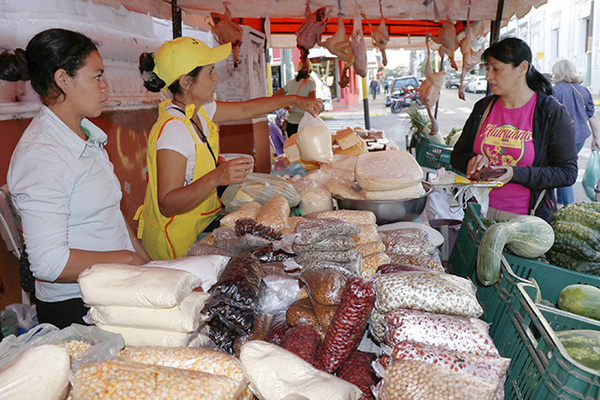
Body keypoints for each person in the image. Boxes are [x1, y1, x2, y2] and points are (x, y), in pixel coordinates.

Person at [2, 29, 150, 329]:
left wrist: (148, 265)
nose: (105, 86)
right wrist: (128, 260)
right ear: (63, 79)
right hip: (76, 308)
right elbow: (49, 263)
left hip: (113, 288)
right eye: (96, 77)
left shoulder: (86, 135)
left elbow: (112, 218)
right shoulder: (42, 154)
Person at [138, 37, 323, 260]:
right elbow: (168, 204)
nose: (216, 79)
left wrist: (293, 100)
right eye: (210, 73)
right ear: (186, 82)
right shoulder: (174, 130)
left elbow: (246, 109)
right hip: (175, 244)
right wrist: (217, 177)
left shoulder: (200, 111)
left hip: (199, 227)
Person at [450, 37, 578, 222]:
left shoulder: (549, 112)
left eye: (496, 69)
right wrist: (471, 160)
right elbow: (457, 155)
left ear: (522, 68)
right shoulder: (483, 108)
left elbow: (567, 173)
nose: (488, 76)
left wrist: (514, 173)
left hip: (524, 221)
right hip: (479, 213)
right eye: (487, 69)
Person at [551, 59, 597, 205]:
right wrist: (597, 138)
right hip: (580, 137)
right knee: (567, 167)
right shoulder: (583, 90)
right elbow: (592, 116)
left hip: (562, 138)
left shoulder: (555, 91)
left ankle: (567, 205)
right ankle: (565, 203)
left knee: (563, 170)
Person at [272, 60, 317, 136]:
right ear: (310, 70)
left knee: (292, 146)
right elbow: (312, 101)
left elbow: (275, 96)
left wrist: (287, 107)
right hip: (304, 123)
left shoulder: (291, 83)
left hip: (291, 123)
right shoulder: (311, 83)